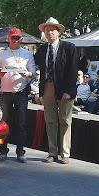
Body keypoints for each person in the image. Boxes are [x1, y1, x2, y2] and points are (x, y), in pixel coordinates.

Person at [34, 17, 77, 164]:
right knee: (50, 120)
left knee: (65, 120)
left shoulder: (69, 48)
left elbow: (73, 71)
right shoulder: (42, 49)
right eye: (47, 30)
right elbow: (32, 64)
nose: (49, 32)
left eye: (52, 30)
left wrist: (69, 91)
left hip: (65, 89)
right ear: (44, 33)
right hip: (47, 87)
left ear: (58, 32)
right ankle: (52, 152)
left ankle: (65, 153)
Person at [0, 28, 36, 163]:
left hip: (21, 92)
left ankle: (20, 152)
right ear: (8, 38)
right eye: (13, 38)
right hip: (5, 92)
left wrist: (28, 74)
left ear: (21, 39)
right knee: (4, 123)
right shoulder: (1, 54)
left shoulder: (27, 54)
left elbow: (33, 72)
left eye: (17, 38)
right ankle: (3, 151)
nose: (15, 40)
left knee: (21, 123)